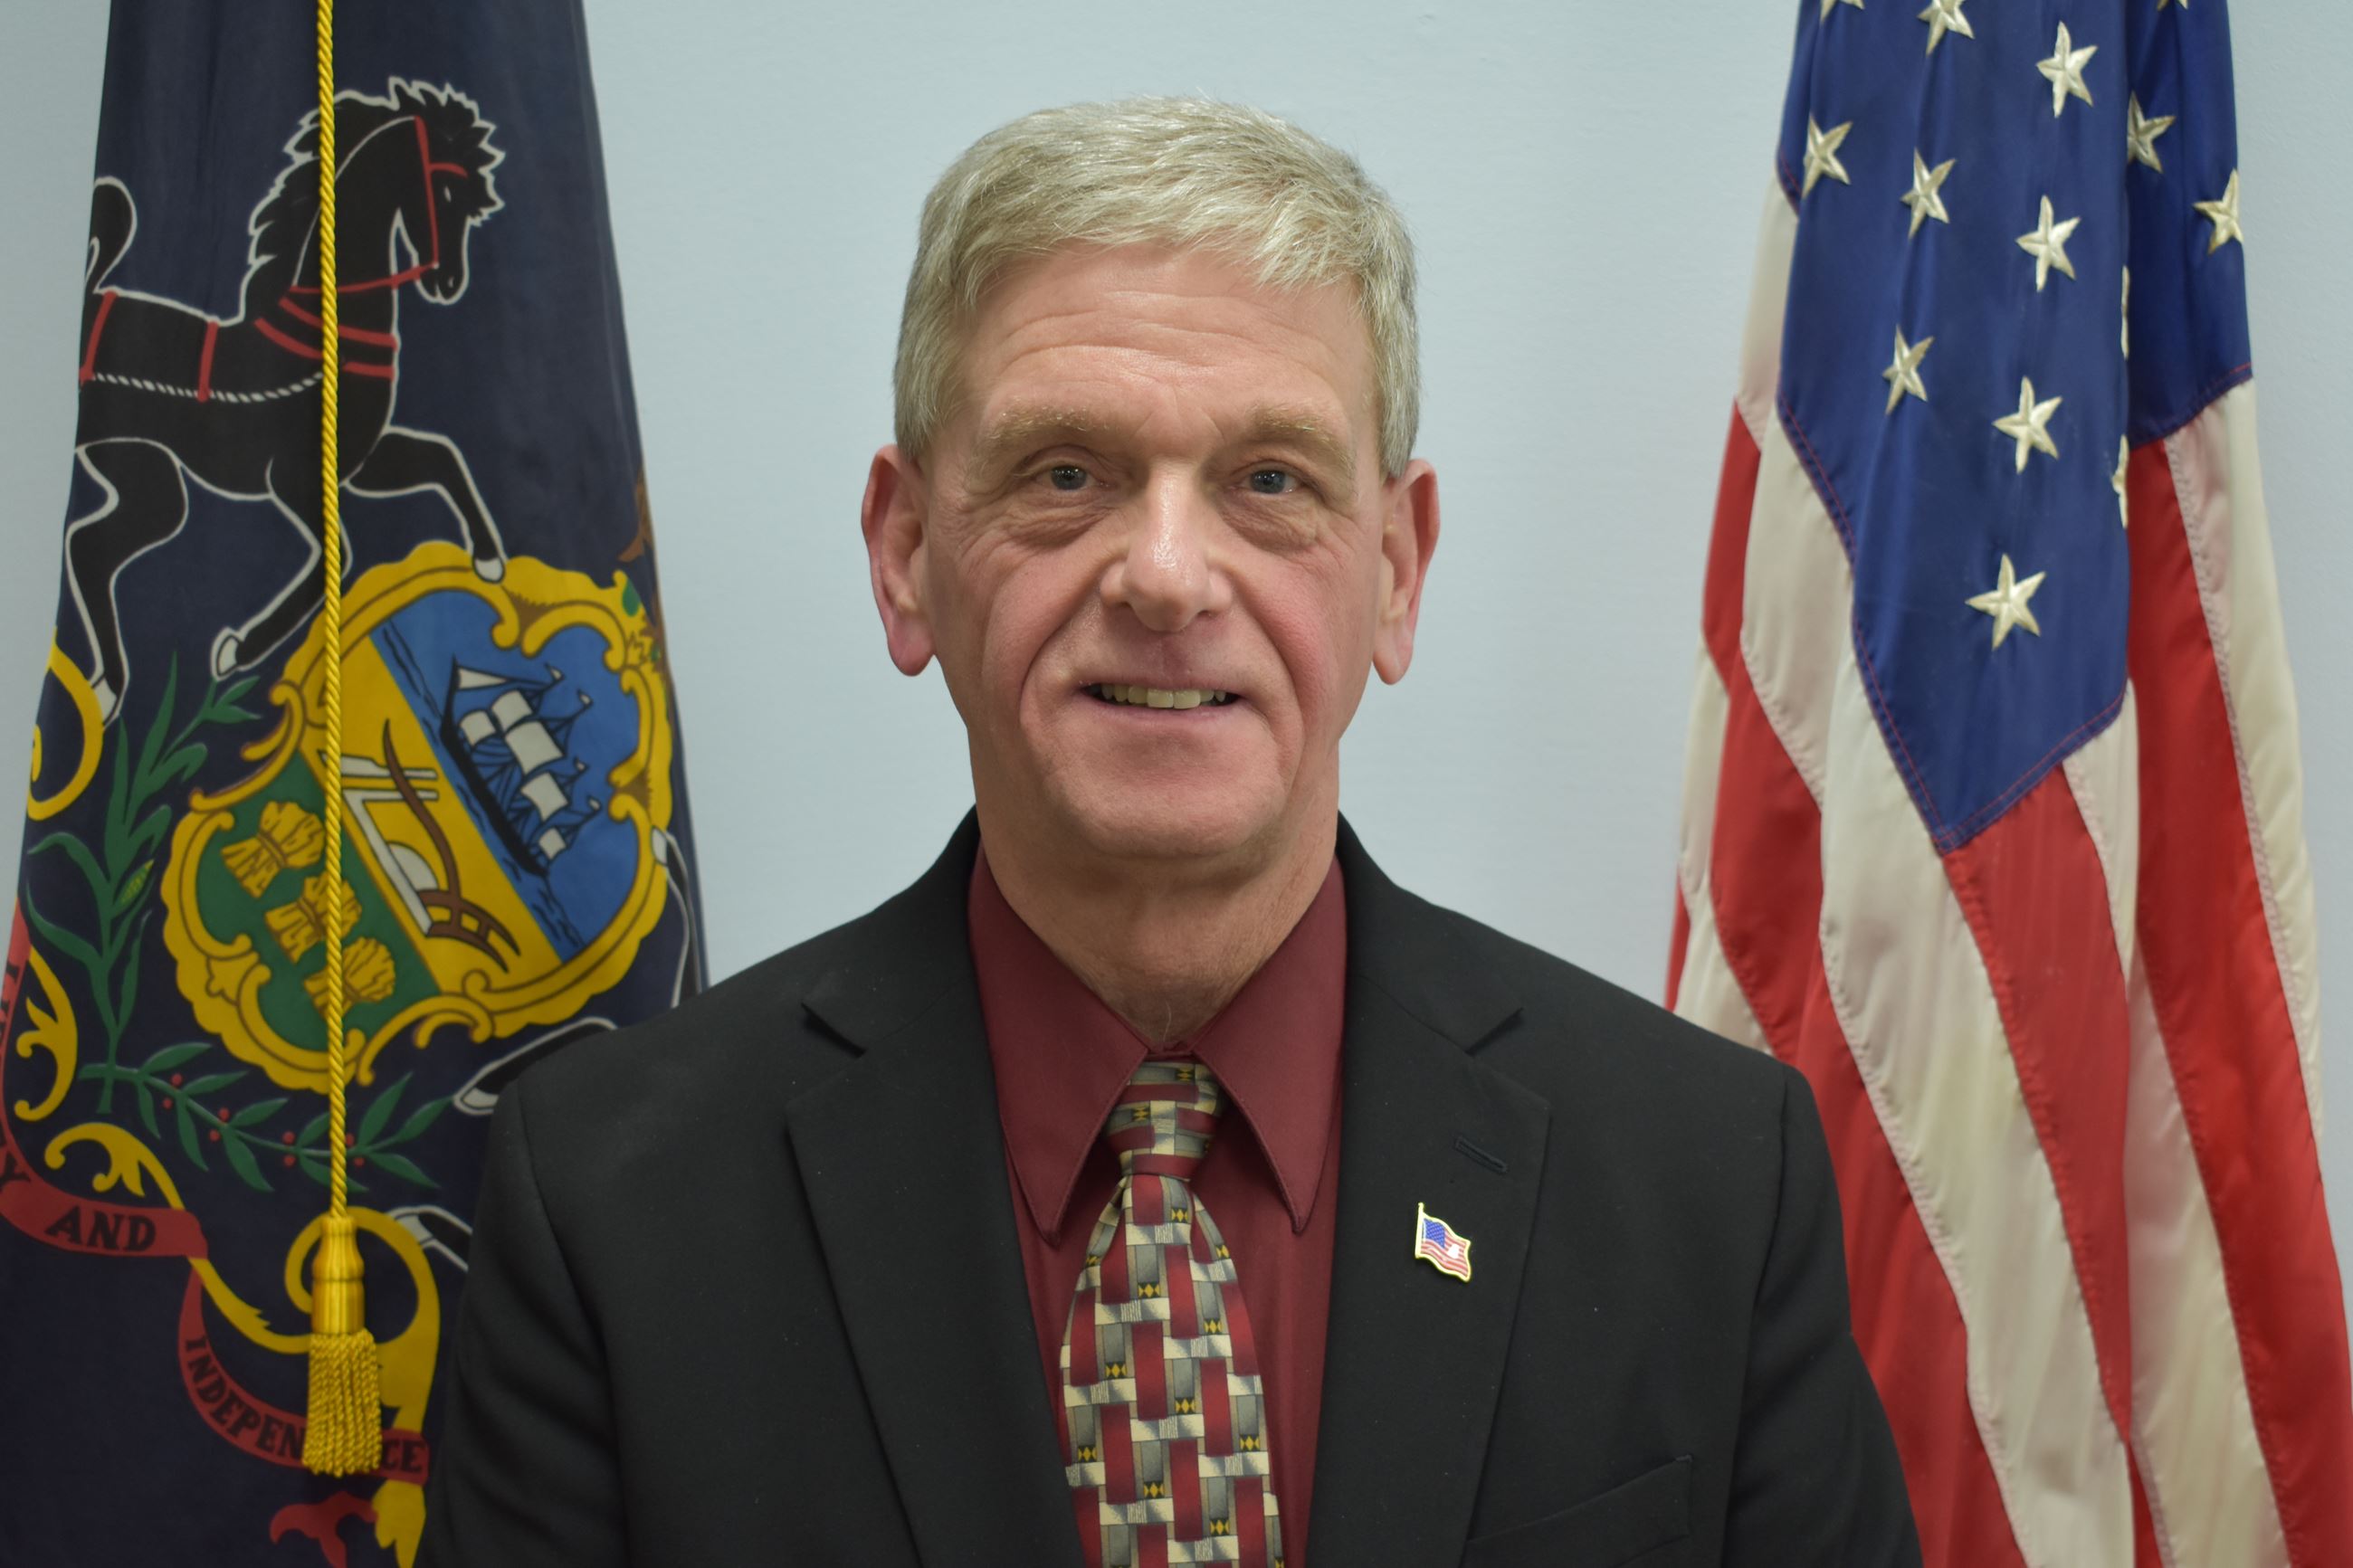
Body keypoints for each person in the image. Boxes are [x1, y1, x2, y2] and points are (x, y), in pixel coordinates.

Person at [419, 98, 1920, 1567]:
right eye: (1066, 473)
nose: (1165, 573)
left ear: (1397, 570)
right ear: (906, 553)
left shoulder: (1711, 1181)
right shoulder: (616, 1205)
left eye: (1270, 481)